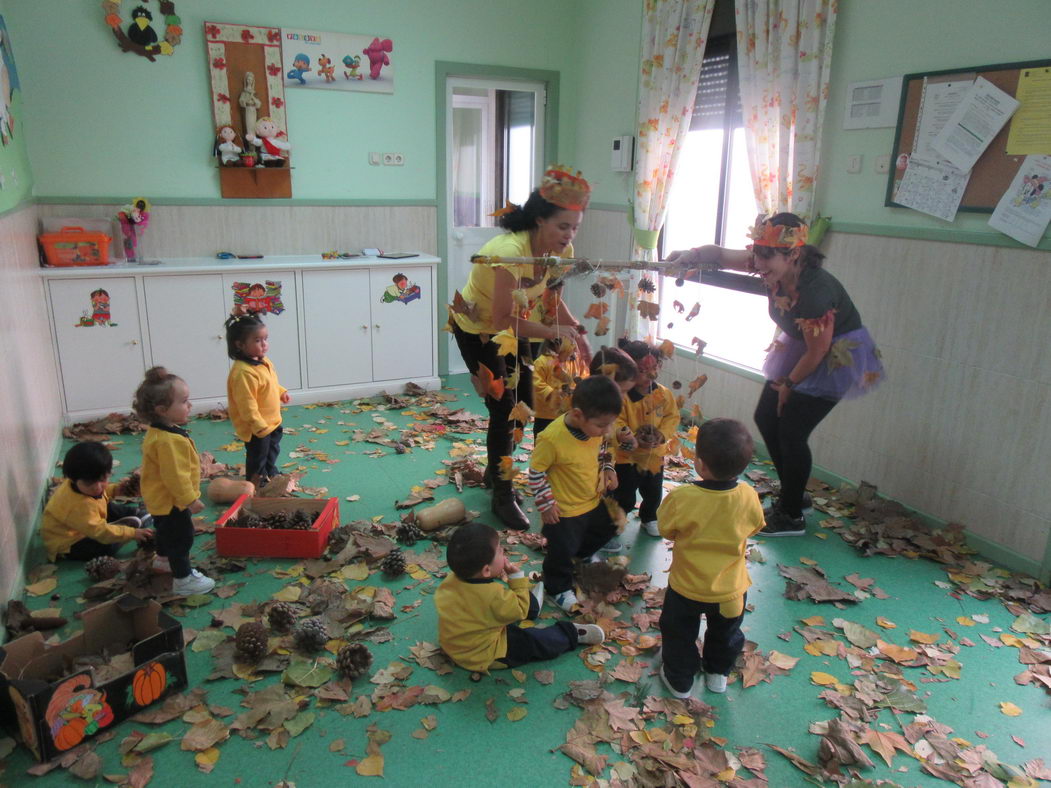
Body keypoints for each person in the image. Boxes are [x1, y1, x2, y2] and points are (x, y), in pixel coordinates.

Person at [667, 213, 884, 537]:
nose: (757, 263)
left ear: (793, 254)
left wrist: (788, 385)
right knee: (767, 417)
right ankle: (794, 493)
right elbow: (720, 254)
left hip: (832, 358)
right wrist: (689, 256)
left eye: (766, 256)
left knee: (792, 432)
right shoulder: (769, 260)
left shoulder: (815, 292)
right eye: (756, 252)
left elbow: (818, 351)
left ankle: (792, 514)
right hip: (802, 348)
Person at [450, 165, 592, 530]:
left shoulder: (562, 251)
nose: (569, 234)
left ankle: (498, 468)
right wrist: (551, 333)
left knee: (524, 406)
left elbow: (552, 302)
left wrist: (577, 332)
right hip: (479, 330)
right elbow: (500, 319)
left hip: (519, 329)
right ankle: (502, 491)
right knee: (504, 409)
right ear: (540, 220)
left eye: (575, 227)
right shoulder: (509, 251)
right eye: (563, 226)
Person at [656, 418, 765, 697]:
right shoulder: (749, 495)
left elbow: (666, 529)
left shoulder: (683, 498)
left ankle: (680, 681)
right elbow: (755, 525)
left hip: (687, 588)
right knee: (726, 634)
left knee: (679, 633)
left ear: (700, 464)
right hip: (731, 591)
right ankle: (717, 673)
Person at [434, 523, 604, 672]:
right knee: (532, 641)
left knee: (511, 608)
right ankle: (571, 634)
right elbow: (516, 610)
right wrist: (516, 578)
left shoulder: (451, 581)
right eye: (499, 550)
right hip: (485, 654)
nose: (503, 551)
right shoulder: (494, 597)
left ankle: (532, 605)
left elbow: (487, 607)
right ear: (486, 570)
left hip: (456, 643)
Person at [527, 375, 622, 612]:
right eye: (602, 425)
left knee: (612, 523)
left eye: (610, 423)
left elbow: (603, 449)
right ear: (578, 415)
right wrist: (546, 504)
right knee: (561, 552)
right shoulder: (552, 438)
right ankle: (556, 587)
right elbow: (536, 473)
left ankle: (579, 558)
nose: (607, 430)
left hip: (592, 499)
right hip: (564, 510)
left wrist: (608, 468)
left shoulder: (595, 429)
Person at [133, 366, 215, 595]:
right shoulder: (168, 441)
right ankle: (183, 579)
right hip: (172, 502)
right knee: (182, 537)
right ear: (162, 410)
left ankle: (163, 560)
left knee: (166, 533)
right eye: (184, 401)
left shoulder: (163, 432)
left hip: (160, 500)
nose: (189, 405)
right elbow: (175, 477)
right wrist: (190, 499)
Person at [612, 339, 680, 540]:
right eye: (642, 370)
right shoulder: (622, 396)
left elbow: (672, 416)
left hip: (654, 456)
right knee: (624, 493)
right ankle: (618, 518)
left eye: (654, 368)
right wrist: (632, 438)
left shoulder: (663, 394)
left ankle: (649, 517)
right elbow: (616, 421)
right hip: (627, 458)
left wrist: (662, 435)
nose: (650, 374)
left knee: (653, 491)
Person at [42, 442, 153, 562]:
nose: (97, 487)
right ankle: (120, 531)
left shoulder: (83, 486)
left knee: (107, 505)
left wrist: (116, 489)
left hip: (88, 520)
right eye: (89, 483)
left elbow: (103, 494)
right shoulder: (76, 506)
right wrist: (131, 534)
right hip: (70, 544)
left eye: (103, 480)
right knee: (105, 548)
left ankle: (128, 519)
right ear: (72, 479)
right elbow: (98, 531)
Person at [225, 310, 290, 489]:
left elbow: (269, 384)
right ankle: (255, 480)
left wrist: (281, 391)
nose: (264, 345)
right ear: (239, 345)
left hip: (272, 421)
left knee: (272, 449)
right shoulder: (243, 372)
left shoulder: (264, 361)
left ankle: (270, 471)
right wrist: (257, 424)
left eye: (265, 339)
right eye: (257, 341)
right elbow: (247, 404)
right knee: (257, 455)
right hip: (257, 427)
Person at [532, 337, 588, 438]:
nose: (575, 346)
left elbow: (584, 374)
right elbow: (535, 383)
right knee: (544, 440)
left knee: (565, 442)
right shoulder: (542, 362)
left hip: (569, 413)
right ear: (557, 344)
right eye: (571, 343)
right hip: (546, 415)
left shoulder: (575, 360)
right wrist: (553, 394)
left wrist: (580, 386)